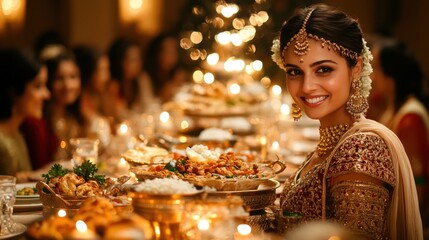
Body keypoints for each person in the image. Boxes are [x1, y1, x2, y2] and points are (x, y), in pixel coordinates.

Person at [271, 4, 422, 239]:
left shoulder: (360, 149)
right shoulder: (336, 141)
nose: (307, 86)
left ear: (356, 68)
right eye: (294, 72)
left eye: (323, 69)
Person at [369, 37, 429, 225]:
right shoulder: (391, 107)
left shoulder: (410, 119)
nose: (371, 75)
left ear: (391, 75)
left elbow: (418, 187)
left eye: (376, 68)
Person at [0, 48, 50, 179]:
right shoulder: (2, 141)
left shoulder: (17, 134)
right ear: (13, 89)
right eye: (38, 86)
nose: (47, 94)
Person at [107, 37, 154, 122]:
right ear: (120, 62)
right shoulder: (112, 86)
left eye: (139, 58)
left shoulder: (141, 79)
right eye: (133, 60)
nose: (138, 63)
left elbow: (148, 106)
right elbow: (118, 117)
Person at [144, 33, 188, 103]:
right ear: (156, 53)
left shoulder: (176, 74)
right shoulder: (144, 77)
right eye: (167, 52)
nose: (171, 57)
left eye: (173, 52)